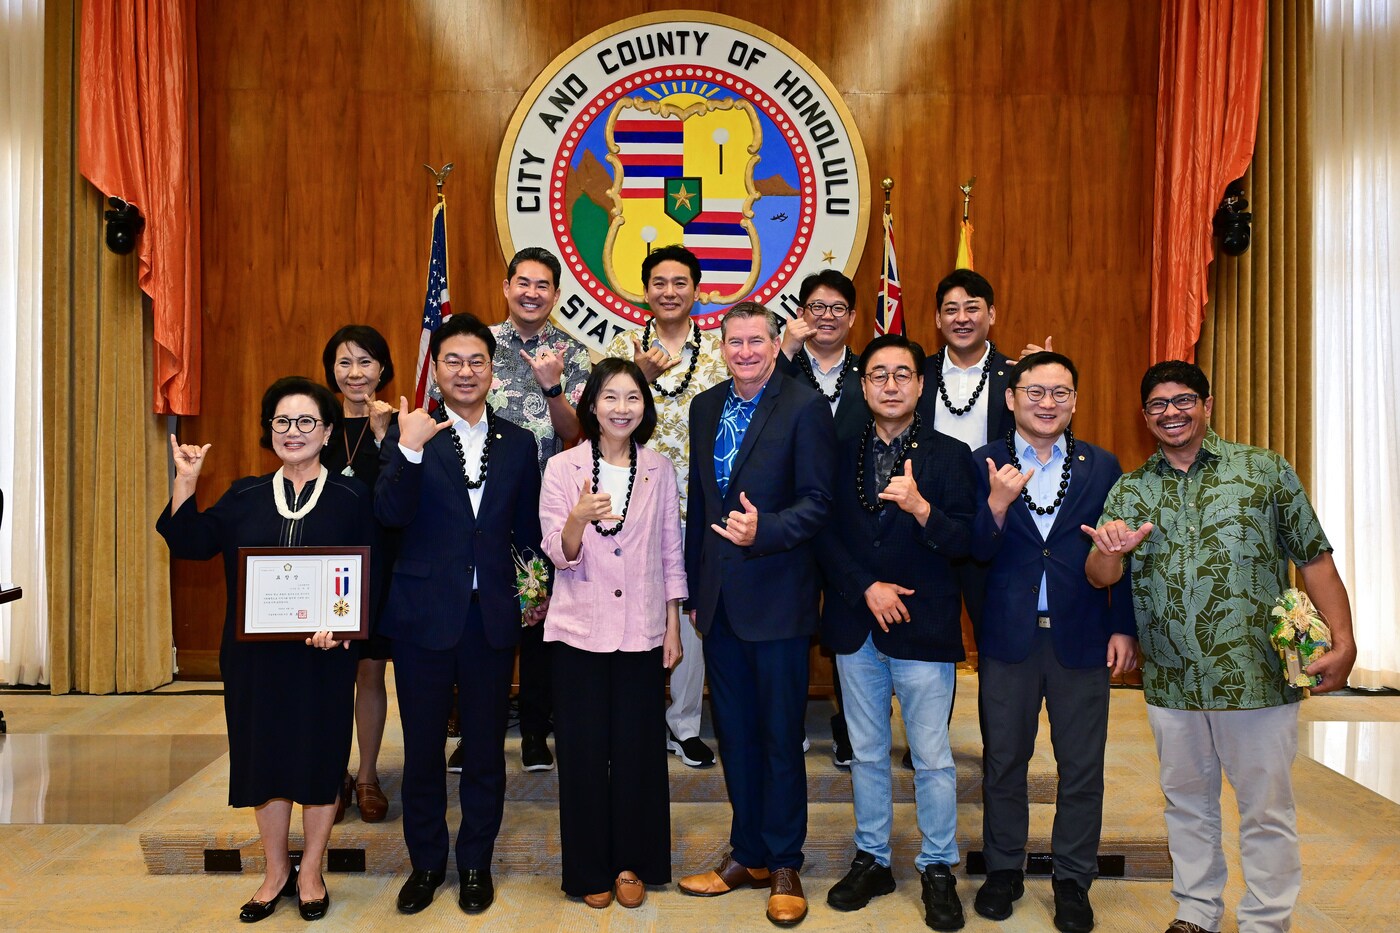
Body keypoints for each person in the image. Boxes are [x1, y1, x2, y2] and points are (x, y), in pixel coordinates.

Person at [1085, 361, 1356, 933]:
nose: (1171, 413)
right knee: (1186, 807)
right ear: (1145, 417)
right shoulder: (1131, 488)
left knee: (1266, 810)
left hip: (1257, 676)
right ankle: (1197, 913)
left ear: (1207, 405)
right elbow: (1100, 576)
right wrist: (1110, 548)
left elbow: (1314, 560)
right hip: (1171, 681)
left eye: (1183, 400)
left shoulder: (1263, 472)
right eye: (1158, 405)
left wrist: (1345, 639)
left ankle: (1266, 920)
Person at [158, 376, 375, 923]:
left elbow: (372, 574)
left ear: (327, 431)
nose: (293, 432)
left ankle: (312, 870)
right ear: (269, 430)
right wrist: (186, 482)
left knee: (320, 757)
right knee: (265, 758)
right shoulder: (244, 494)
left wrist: (347, 626)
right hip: (254, 659)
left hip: (324, 656)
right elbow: (191, 543)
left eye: (306, 422)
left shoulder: (353, 497)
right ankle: (275, 869)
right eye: (282, 422)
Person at [375, 313, 545, 917]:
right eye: (454, 361)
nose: (466, 371)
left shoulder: (520, 442)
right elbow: (389, 514)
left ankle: (475, 861)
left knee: (482, 750)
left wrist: (532, 596)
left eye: (477, 361)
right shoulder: (411, 431)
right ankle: (426, 863)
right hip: (422, 616)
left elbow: (529, 531)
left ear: (492, 371)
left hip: (491, 618)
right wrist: (409, 448)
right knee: (421, 749)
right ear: (436, 369)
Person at [677, 302, 835, 927]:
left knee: (778, 738)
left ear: (776, 344)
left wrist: (763, 530)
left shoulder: (804, 406)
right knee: (734, 737)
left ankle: (786, 860)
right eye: (734, 342)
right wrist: (693, 587)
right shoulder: (705, 406)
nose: (745, 351)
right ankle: (747, 854)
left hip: (778, 600)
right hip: (717, 602)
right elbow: (700, 500)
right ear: (721, 346)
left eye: (755, 341)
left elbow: (819, 503)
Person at [814, 334, 979, 931]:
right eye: (878, 375)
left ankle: (938, 867)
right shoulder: (835, 451)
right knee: (866, 753)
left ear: (920, 384)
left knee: (932, 759)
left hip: (924, 626)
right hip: (858, 621)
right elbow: (824, 532)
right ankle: (873, 858)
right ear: (862, 386)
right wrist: (864, 586)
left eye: (902, 375)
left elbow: (967, 541)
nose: (889, 385)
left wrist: (922, 509)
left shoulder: (951, 454)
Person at [970, 351, 1138, 932]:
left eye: (1060, 393)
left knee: (1082, 767)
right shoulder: (983, 461)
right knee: (1004, 762)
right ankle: (1003, 872)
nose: (1048, 403)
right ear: (1011, 398)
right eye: (1035, 392)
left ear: (1074, 401)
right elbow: (972, 552)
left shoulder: (1102, 466)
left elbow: (1122, 554)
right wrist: (995, 504)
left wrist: (1123, 625)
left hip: (1083, 635)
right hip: (1007, 637)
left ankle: (1072, 880)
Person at [539, 358, 686, 908]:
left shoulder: (660, 469)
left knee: (638, 753)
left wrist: (672, 626)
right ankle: (588, 870)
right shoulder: (563, 469)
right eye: (611, 397)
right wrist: (577, 516)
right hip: (580, 631)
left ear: (644, 408)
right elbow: (559, 552)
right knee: (580, 753)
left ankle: (633, 862)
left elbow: (671, 555)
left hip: (644, 631)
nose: (622, 408)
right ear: (592, 406)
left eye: (632, 398)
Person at [604, 244, 727, 769]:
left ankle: (684, 724)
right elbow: (604, 410)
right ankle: (633, 721)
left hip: (699, 507)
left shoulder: (723, 351)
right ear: (645, 290)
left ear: (696, 291)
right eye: (659, 282)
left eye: (680, 282)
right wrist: (640, 377)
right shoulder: (621, 346)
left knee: (688, 613)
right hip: (631, 504)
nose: (669, 291)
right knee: (629, 613)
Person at [487, 246, 592, 772]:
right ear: (507, 287)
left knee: (538, 622)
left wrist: (552, 386)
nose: (531, 292)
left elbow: (575, 434)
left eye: (543, 285)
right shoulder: (475, 346)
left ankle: (533, 730)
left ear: (556, 294)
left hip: (545, 509)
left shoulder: (573, 353)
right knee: (482, 617)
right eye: (522, 283)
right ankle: (478, 730)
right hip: (480, 503)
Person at [780, 268, 866, 768]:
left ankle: (850, 728)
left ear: (852, 317)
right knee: (791, 622)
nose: (827, 317)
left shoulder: (871, 372)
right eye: (817, 307)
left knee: (847, 622)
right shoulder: (781, 366)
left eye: (837, 308)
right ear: (802, 314)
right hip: (791, 517)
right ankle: (787, 722)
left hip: (853, 520)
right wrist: (786, 353)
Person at [320, 325, 397, 824]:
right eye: (345, 363)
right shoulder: (316, 423)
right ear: (331, 371)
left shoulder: (400, 422)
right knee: (327, 675)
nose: (355, 373)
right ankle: (332, 774)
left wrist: (385, 436)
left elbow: (406, 487)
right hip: (326, 568)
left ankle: (367, 775)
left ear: (383, 369)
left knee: (370, 672)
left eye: (365, 362)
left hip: (382, 564)